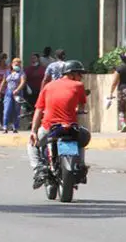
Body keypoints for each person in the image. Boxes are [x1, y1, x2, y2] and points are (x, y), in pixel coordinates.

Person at [28, 60, 91, 188]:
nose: (81, 77)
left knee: (31, 144)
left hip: (49, 128)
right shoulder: (78, 86)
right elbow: (80, 107)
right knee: (81, 141)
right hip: (70, 127)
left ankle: (38, 169)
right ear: (72, 74)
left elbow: (39, 110)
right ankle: (80, 165)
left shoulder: (48, 86)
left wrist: (33, 131)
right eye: (80, 74)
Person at [0, 57, 26, 133]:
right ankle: (5, 126)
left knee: (16, 111)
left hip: (18, 93)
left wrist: (17, 90)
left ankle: (15, 127)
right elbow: (3, 82)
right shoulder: (7, 72)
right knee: (6, 110)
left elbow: (23, 82)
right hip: (8, 93)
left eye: (18, 63)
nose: (17, 65)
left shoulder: (21, 73)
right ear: (12, 64)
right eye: (15, 63)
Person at [107, 52, 126, 132]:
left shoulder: (120, 68)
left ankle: (123, 125)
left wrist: (111, 92)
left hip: (122, 90)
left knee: (121, 109)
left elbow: (114, 82)